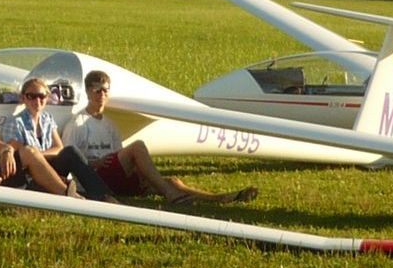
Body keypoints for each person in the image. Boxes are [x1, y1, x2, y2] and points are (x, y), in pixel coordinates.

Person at [63, 69, 258, 206]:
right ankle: (170, 194)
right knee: (137, 146)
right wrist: (97, 164)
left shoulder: (110, 125)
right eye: (97, 90)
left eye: (105, 90)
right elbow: (70, 162)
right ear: (88, 92)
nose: (102, 95)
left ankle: (219, 198)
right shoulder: (78, 124)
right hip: (94, 180)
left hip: (114, 177)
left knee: (171, 181)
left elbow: (117, 157)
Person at [0, 77, 115, 201]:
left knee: (70, 151)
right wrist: (36, 158)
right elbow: (22, 156)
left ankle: (103, 195)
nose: (37, 100)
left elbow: (59, 148)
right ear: (23, 98)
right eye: (31, 96)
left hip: (48, 166)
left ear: (47, 98)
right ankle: (85, 195)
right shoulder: (15, 123)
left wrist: (37, 156)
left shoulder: (47, 119)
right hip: (30, 176)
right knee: (60, 154)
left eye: (41, 96)